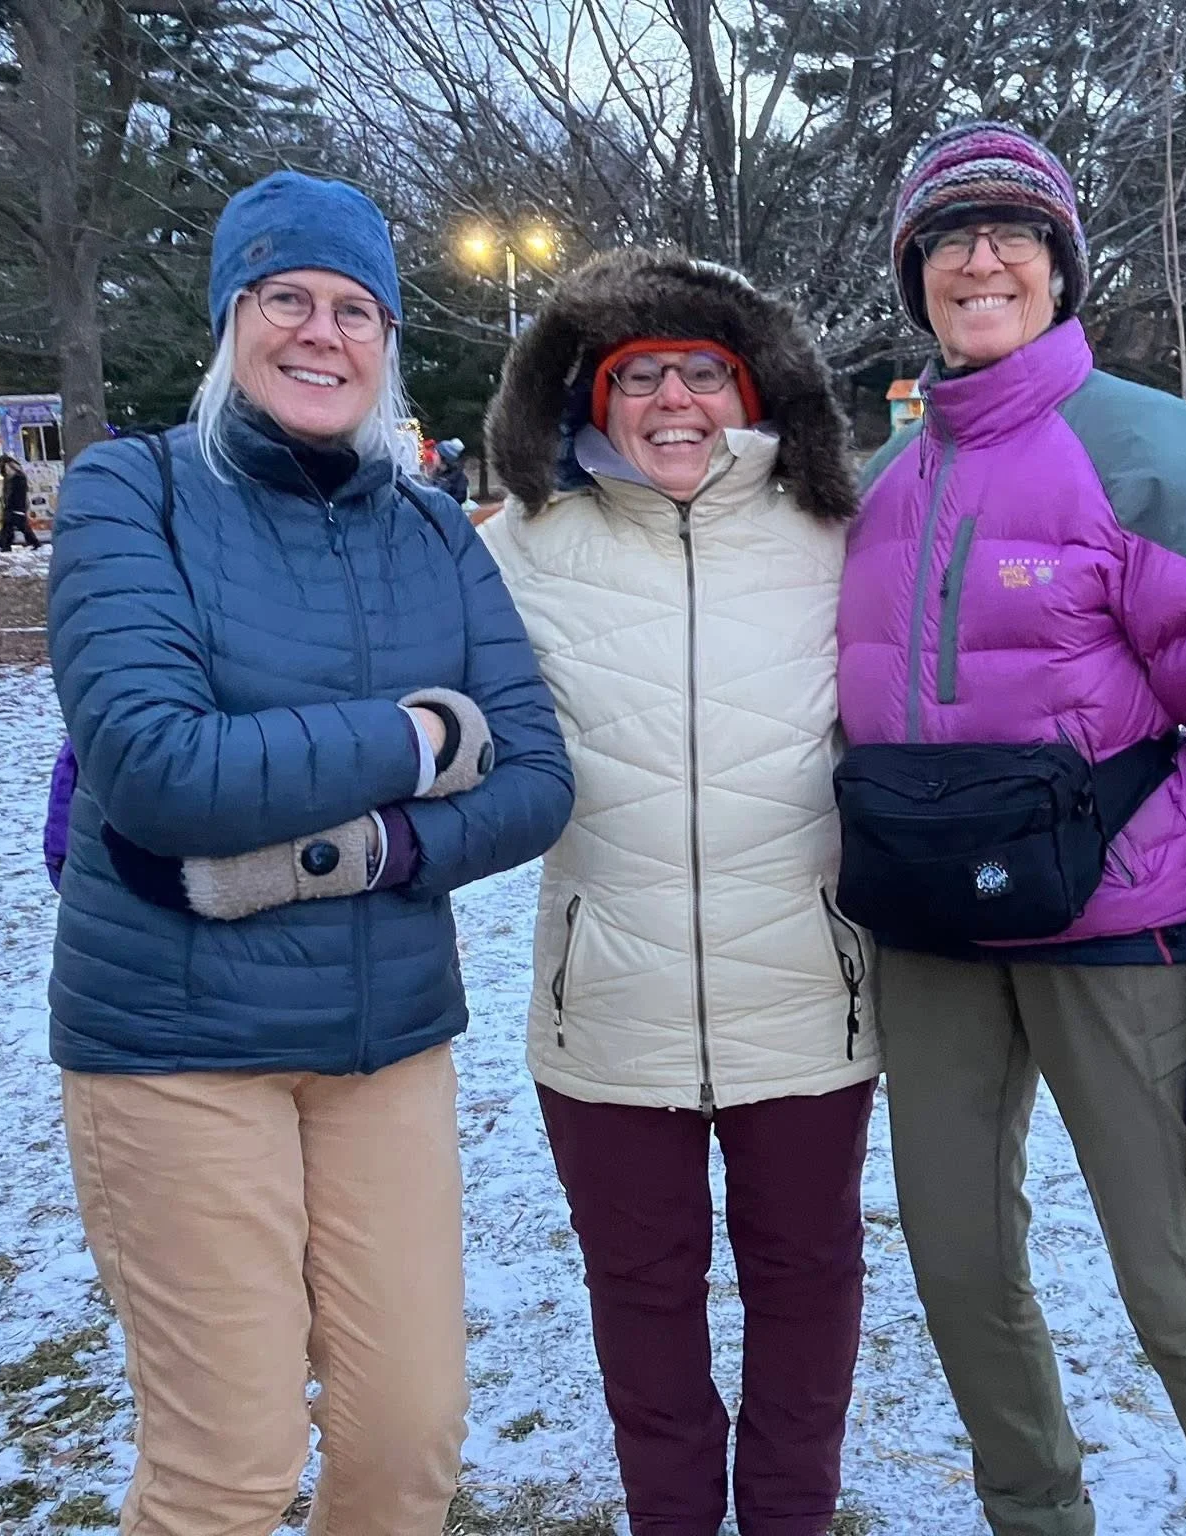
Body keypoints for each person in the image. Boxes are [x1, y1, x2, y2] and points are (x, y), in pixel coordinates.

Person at [839, 121, 1186, 1536]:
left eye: (1013, 232)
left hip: (1120, 937)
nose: (981, 257)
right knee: (954, 1260)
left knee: (1175, 1280)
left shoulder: (1151, 455)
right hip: (938, 940)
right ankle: (1035, 1513)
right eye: (949, 237)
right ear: (916, 276)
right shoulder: (887, 484)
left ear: (1061, 267)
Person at [45, 169, 574, 1535]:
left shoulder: (428, 533)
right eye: (287, 298)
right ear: (232, 319)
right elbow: (158, 770)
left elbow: (534, 783)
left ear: (388, 340)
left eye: (355, 308)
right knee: (229, 1463)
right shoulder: (132, 493)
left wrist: (309, 858)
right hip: (173, 1045)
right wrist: (414, 737)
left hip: (384, 1041)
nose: (321, 333)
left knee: (407, 1446)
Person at [481, 247, 880, 1536]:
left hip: (805, 1000)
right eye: (636, 375)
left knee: (807, 1287)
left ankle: (787, 1519)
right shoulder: (517, 544)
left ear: (749, 390)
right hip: (606, 1005)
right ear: (590, 400)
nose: (672, 402)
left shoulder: (837, 533)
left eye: (701, 373)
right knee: (641, 1300)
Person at [0, 454, 39, 549]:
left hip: (15, 506)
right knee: (10, 526)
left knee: (19, 525)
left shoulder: (17, 478)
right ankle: (5, 545)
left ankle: (34, 542)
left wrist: (10, 503)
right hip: (13, 506)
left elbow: (16, 493)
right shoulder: (13, 477)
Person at [434, 437, 470, 504]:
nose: (433, 456)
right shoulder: (435, 473)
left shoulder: (458, 478)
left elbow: (459, 498)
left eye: (436, 453)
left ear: (443, 458)